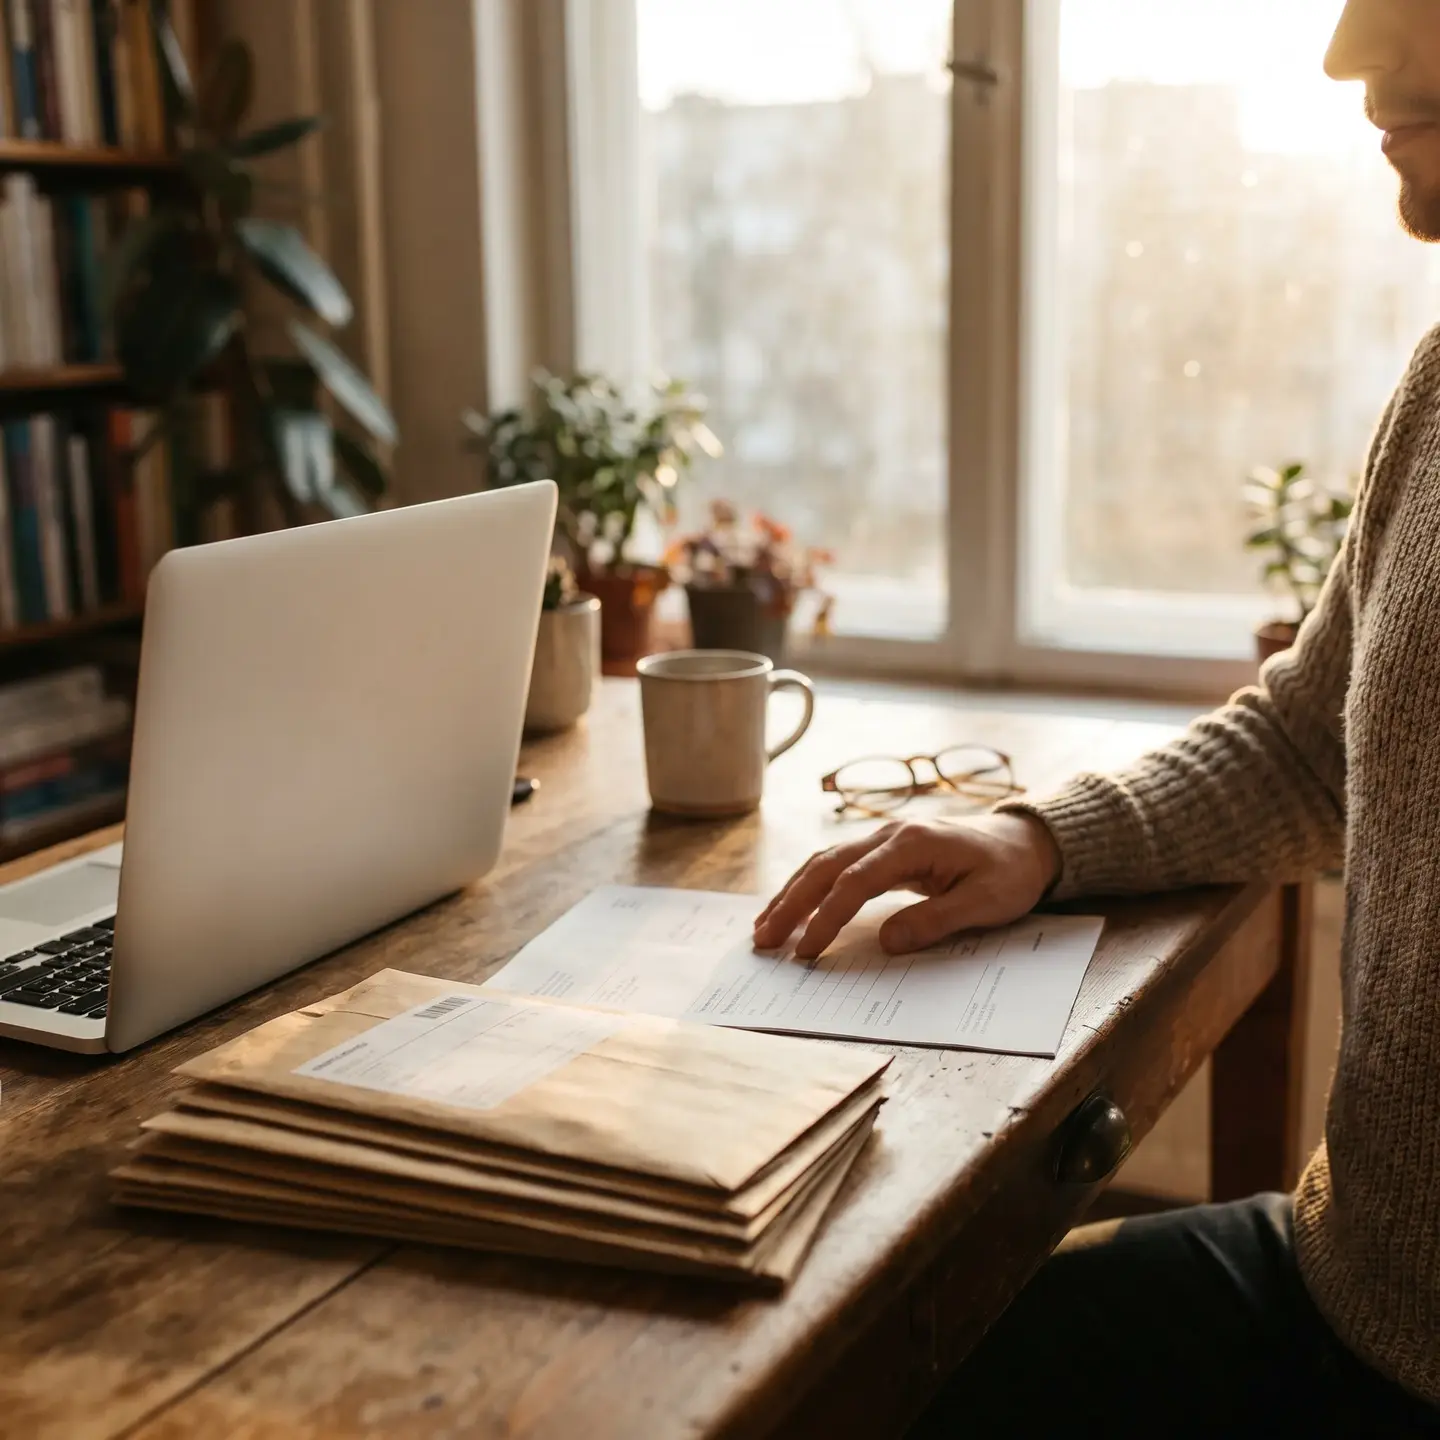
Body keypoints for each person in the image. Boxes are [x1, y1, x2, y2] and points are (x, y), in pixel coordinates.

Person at [754, 2, 1440, 1433]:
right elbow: (1312, 741)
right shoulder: (1438, 392)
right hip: (1351, 1285)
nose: (1347, 58)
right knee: (878, 1375)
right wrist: (1041, 838)